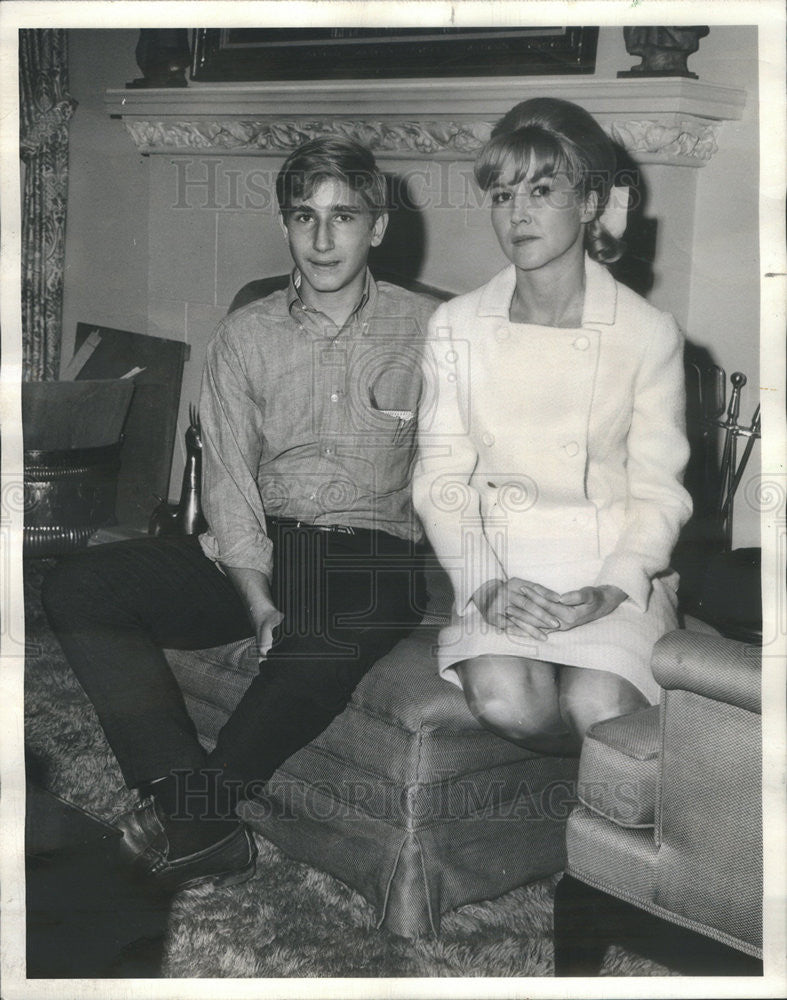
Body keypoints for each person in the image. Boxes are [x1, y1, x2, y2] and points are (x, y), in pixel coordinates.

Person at [43, 136, 438, 890]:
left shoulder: (433, 335)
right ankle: (198, 818)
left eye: (343, 217)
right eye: (303, 216)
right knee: (79, 585)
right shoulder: (245, 336)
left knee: (321, 630)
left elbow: (462, 470)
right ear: (284, 225)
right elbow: (226, 482)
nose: (322, 239)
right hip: (264, 543)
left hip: (371, 553)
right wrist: (256, 596)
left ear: (377, 228)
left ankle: (191, 814)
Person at [412, 98, 692, 756]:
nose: (518, 213)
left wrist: (614, 584)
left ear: (589, 204)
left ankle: (606, 818)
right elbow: (438, 479)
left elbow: (659, 491)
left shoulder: (645, 333)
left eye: (542, 190)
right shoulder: (455, 325)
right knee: (509, 700)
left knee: (596, 703)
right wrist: (483, 583)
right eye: (503, 193)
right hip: (504, 566)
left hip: (610, 566)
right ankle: (599, 771)